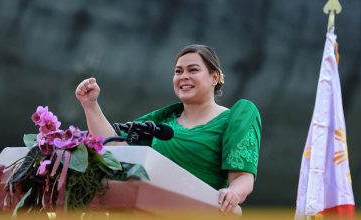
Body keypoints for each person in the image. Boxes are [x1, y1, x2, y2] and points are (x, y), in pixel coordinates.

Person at [75, 44, 262, 214]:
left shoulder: (235, 118)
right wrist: (91, 105)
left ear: (214, 77)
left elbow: (243, 177)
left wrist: (233, 193)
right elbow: (115, 149)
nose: (183, 76)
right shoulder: (162, 121)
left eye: (193, 70)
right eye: (178, 71)